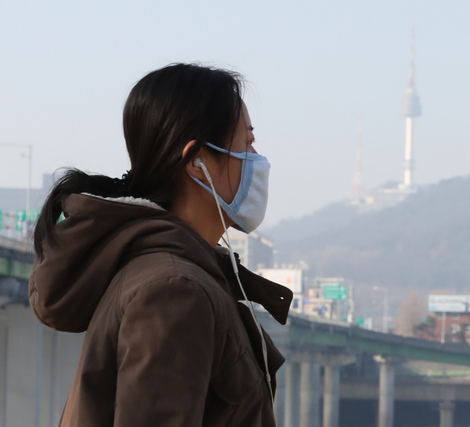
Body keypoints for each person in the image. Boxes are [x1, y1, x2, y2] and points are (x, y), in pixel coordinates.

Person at [28, 63, 292, 427]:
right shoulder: (175, 290)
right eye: (246, 145)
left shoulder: (178, 273)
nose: (257, 161)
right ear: (197, 163)